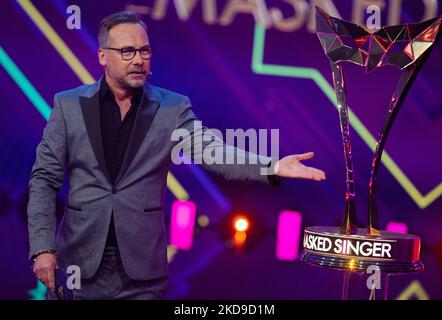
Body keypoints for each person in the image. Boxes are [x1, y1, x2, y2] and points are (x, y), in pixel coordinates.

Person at [27, 11, 326, 300]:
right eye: (127, 51)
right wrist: (43, 248)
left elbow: (213, 152)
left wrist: (271, 166)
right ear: (103, 56)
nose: (139, 60)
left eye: (145, 51)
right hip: (78, 265)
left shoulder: (172, 108)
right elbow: (43, 180)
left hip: (141, 275)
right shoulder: (69, 105)